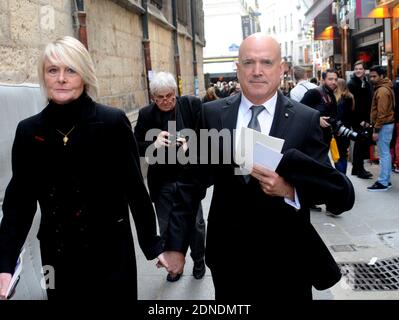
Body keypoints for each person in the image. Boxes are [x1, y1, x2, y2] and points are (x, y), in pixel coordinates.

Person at [0, 36, 179, 300]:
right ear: (44, 77)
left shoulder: (112, 123)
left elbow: (135, 191)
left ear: (84, 75)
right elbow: (19, 203)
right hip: (58, 256)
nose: (61, 78)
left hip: (112, 253)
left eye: (70, 70)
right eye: (53, 70)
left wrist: (153, 244)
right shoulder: (29, 131)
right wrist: (5, 263)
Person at [179, 33, 354, 300]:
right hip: (229, 260)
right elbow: (192, 183)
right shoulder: (212, 113)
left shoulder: (306, 119)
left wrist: (289, 190)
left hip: (287, 261)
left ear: (281, 68)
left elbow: (330, 189)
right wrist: (175, 246)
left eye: (266, 62)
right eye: (249, 62)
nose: (257, 71)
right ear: (237, 68)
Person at [134, 72, 206, 282]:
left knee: (196, 226)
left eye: (170, 96)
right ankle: (175, 266)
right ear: (153, 97)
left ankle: (199, 260)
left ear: (176, 92)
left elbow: (208, 135)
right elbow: (135, 146)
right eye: (160, 97)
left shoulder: (191, 105)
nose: (166, 101)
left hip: (189, 179)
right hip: (162, 182)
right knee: (166, 227)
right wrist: (154, 144)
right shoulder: (146, 114)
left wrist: (190, 145)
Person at [367, 65, 395, 191]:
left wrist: (376, 130)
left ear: (382, 76)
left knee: (384, 154)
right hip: (386, 124)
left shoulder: (382, 91)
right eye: (371, 76)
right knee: (385, 153)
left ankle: (383, 182)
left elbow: (382, 113)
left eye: (374, 76)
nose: (372, 78)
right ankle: (386, 180)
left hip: (384, 125)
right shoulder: (383, 87)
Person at [347, 60, 373, 179]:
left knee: (360, 144)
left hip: (365, 119)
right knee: (360, 144)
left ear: (364, 70)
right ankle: (360, 169)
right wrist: (360, 120)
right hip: (357, 119)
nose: (358, 71)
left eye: (360, 69)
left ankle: (356, 169)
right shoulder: (352, 84)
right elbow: (352, 105)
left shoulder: (365, 83)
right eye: (356, 69)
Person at [333, 78, 355, 174]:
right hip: (347, 129)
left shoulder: (339, 100)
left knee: (338, 155)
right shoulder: (350, 97)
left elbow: (339, 116)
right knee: (343, 154)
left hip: (339, 130)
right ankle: (343, 176)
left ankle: (340, 177)